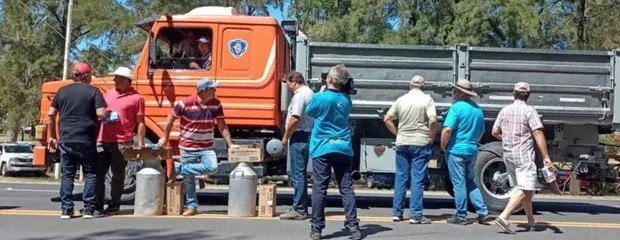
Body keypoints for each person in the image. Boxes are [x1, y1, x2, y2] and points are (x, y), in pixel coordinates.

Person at [158, 78, 238, 216]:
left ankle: (178, 168)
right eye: (212, 88)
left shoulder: (216, 104)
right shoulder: (185, 103)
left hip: (206, 146)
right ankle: (192, 206)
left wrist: (230, 144)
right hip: (187, 145)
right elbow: (170, 118)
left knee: (212, 167)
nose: (215, 90)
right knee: (189, 179)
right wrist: (165, 137)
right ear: (203, 90)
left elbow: (222, 125)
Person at [306, 64, 360, 240]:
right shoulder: (346, 100)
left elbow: (309, 111)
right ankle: (353, 226)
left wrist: (320, 91)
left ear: (329, 79)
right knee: (346, 187)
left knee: (320, 188)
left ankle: (317, 228)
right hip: (343, 147)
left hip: (322, 146)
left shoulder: (321, 98)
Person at [47, 62, 108, 219]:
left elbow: (51, 114)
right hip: (86, 138)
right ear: (86, 75)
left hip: (66, 138)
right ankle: (88, 209)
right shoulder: (94, 91)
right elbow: (101, 113)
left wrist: (52, 136)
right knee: (90, 173)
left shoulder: (62, 91)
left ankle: (66, 209)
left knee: (68, 174)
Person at [492, 82, 554, 234]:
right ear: (528, 95)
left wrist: (507, 139)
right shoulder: (529, 111)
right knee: (526, 188)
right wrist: (546, 157)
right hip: (524, 156)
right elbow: (538, 133)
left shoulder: (505, 110)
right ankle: (504, 216)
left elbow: (494, 131)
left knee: (525, 189)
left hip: (508, 155)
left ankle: (531, 221)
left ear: (514, 93)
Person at [383, 75, 437, 224]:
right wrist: (431, 137)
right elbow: (433, 120)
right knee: (417, 179)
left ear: (410, 85)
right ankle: (416, 215)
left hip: (402, 141)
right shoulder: (427, 99)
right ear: (423, 86)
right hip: (420, 141)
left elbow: (387, 119)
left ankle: (397, 213)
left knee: (401, 177)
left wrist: (398, 133)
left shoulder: (401, 100)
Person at [94, 66, 146, 215]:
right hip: (103, 139)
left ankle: (114, 203)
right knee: (99, 173)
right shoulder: (109, 93)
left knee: (118, 174)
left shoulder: (137, 99)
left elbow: (141, 122)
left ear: (126, 80)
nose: (114, 80)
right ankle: (97, 204)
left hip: (122, 141)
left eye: (117, 77)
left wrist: (140, 144)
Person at [440, 79, 490, 225]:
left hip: (456, 149)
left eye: (455, 90)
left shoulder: (456, 108)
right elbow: (481, 131)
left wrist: (444, 146)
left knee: (459, 183)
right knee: (469, 181)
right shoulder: (477, 109)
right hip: (472, 149)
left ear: (461, 92)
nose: (453, 93)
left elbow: (447, 129)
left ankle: (460, 215)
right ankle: (482, 211)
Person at [279, 72, 314, 220]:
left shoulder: (299, 95)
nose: (288, 87)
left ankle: (299, 209)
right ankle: (301, 206)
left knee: (297, 174)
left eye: (288, 84)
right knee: (301, 174)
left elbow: (295, 118)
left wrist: (286, 136)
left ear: (294, 82)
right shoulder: (310, 93)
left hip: (299, 136)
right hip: (308, 134)